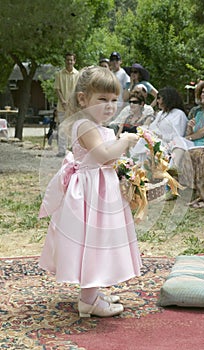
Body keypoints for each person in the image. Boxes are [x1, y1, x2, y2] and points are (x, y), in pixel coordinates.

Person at [38, 66, 141, 318]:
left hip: (100, 189)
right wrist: (125, 141)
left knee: (101, 241)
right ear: (83, 99)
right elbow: (103, 155)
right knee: (91, 242)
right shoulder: (84, 125)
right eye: (102, 99)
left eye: (114, 100)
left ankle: (93, 292)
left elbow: (107, 159)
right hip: (91, 194)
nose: (110, 106)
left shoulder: (95, 125)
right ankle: (88, 301)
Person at [171, 80, 204, 169]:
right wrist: (189, 127)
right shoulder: (199, 113)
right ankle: (173, 171)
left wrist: (188, 138)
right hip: (194, 143)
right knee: (177, 140)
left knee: (180, 141)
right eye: (201, 92)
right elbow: (190, 134)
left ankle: (173, 171)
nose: (202, 95)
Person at [54, 52, 79, 157]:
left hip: (73, 107)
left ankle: (75, 150)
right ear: (65, 61)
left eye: (71, 60)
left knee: (74, 129)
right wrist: (63, 101)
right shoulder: (59, 74)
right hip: (62, 106)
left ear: (74, 61)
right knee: (62, 128)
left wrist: (72, 103)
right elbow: (57, 89)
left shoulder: (78, 74)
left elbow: (78, 90)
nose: (69, 62)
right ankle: (61, 151)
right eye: (67, 60)